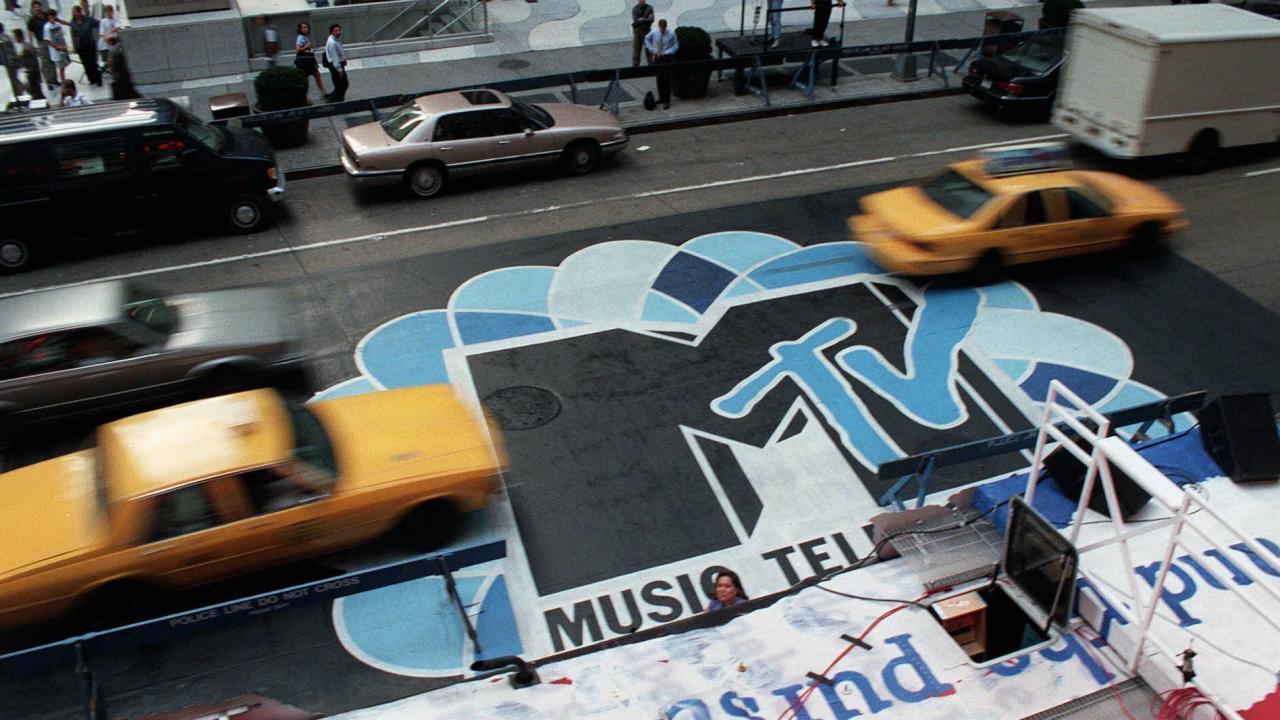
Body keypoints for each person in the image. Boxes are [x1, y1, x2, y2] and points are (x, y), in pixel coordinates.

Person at [643, 18, 677, 110]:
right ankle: (661, 98)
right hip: (657, 57)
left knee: (666, 80)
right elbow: (646, 39)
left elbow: (675, 46)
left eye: (664, 27)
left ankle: (667, 100)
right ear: (659, 26)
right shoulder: (654, 33)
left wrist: (667, 52)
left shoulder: (671, 34)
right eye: (661, 27)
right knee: (659, 79)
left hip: (666, 58)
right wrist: (651, 49)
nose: (662, 29)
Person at [69, 4, 100, 86]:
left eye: (78, 12)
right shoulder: (72, 23)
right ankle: (91, 79)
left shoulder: (88, 19)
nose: (77, 14)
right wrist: (74, 46)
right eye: (75, 13)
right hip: (80, 45)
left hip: (89, 43)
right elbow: (72, 35)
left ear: (80, 12)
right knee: (86, 63)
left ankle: (98, 78)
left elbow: (98, 23)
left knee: (93, 62)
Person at [293, 21, 325, 98]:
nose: (306, 29)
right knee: (308, 78)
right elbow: (297, 49)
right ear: (300, 29)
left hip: (309, 61)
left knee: (316, 75)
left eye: (306, 27)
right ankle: (306, 96)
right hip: (305, 62)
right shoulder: (300, 37)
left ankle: (322, 92)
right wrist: (307, 46)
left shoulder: (304, 37)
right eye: (303, 27)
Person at [42, 7, 71, 85]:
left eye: (54, 16)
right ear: (48, 17)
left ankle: (64, 81)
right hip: (56, 51)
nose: (53, 18)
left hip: (62, 48)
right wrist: (57, 47)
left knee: (64, 66)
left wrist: (64, 46)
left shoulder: (58, 24)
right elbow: (47, 41)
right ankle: (63, 82)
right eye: (51, 16)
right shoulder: (47, 27)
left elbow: (62, 36)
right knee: (61, 67)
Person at [13, 29, 44, 99]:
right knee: (36, 91)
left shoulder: (25, 48)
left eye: (15, 36)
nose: (14, 38)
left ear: (19, 36)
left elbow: (28, 61)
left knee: (35, 91)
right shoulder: (26, 45)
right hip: (32, 72)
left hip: (32, 73)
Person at [106, 33, 136, 100]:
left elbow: (111, 64)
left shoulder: (113, 50)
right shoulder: (122, 47)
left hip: (119, 75)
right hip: (125, 73)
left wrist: (113, 73)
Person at [323, 23, 347, 102]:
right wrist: (339, 70)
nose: (338, 32)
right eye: (335, 31)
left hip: (338, 63)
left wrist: (343, 59)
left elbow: (339, 51)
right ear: (331, 32)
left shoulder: (336, 39)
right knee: (343, 84)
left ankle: (336, 97)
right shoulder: (332, 42)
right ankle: (335, 99)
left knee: (340, 83)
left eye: (339, 30)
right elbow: (334, 58)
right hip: (335, 65)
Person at [0, 23, 22, 99]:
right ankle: (20, 94)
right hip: (11, 61)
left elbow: (6, 52)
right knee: (15, 79)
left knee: (14, 81)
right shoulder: (6, 37)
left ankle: (19, 97)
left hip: (10, 62)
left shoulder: (2, 39)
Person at [630, 0, 653, 68]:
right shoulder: (635, 9)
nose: (642, 1)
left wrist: (642, 19)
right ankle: (635, 66)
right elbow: (636, 20)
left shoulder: (649, 8)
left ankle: (651, 65)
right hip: (638, 31)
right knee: (636, 50)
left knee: (648, 50)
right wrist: (646, 19)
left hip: (647, 31)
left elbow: (651, 19)